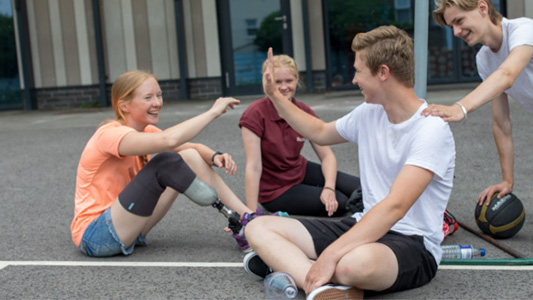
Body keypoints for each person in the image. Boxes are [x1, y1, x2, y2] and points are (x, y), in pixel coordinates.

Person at [243, 25, 456, 299]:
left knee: (353, 264)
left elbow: (395, 206)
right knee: (257, 226)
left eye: (358, 71)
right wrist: (274, 96)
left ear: (382, 73)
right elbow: (319, 131)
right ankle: (319, 288)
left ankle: (296, 268)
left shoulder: (431, 129)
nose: (354, 79)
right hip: (361, 225)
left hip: (412, 242)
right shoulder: (369, 113)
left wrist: (331, 254)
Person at [71, 70, 256, 256]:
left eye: (159, 95)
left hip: (131, 228)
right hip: (96, 235)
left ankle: (249, 219)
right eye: (148, 97)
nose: (157, 103)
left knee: (187, 155)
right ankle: (247, 221)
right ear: (124, 105)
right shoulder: (108, 134)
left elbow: (190, 148)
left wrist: (214, 156)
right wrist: (213, 112)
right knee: (166, 161)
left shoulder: (145, 131)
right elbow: (168, 140)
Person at [421, 0, 533, 206]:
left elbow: (507, 74)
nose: (455, 32)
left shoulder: (524, 30)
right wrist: (507, 181)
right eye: (451, 26)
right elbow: (502, 124)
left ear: (482, 8)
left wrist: (460, 107)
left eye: (459, 20)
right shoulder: (485, 60)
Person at [239, 54, 361, 217]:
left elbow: (327, 157)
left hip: (299, 171)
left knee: (361, 188)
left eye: (288, 81)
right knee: (341, 203)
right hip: (275, 190)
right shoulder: (254, 114)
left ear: (297, 79)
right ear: (268, 82)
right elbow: (253, 167)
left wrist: (328, 188)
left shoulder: (303, 111)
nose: (283, 87)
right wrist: (251, 214)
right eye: (277, 82)